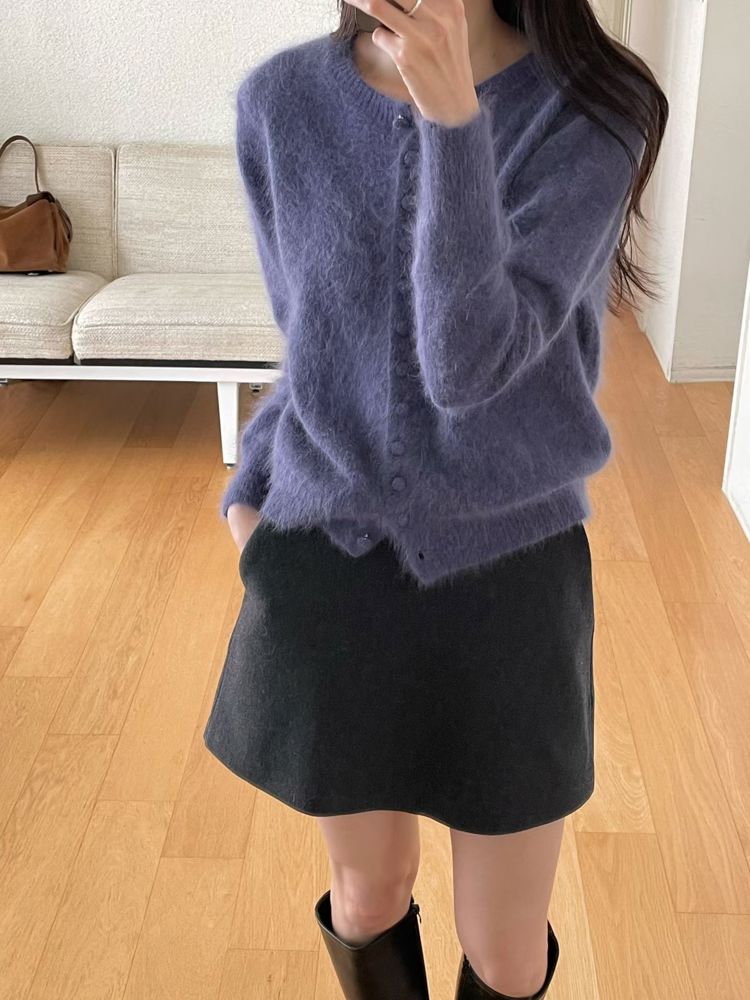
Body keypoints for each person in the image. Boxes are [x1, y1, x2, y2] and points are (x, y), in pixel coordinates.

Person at [203, 1, 668, 997]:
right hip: (331, 564)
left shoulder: (595, 110)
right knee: (367, 892)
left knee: (504, 945)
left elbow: (468, 363)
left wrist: (455, 123)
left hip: (511, 578)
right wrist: (255, 492)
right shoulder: (282, 102)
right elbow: (310, 339)